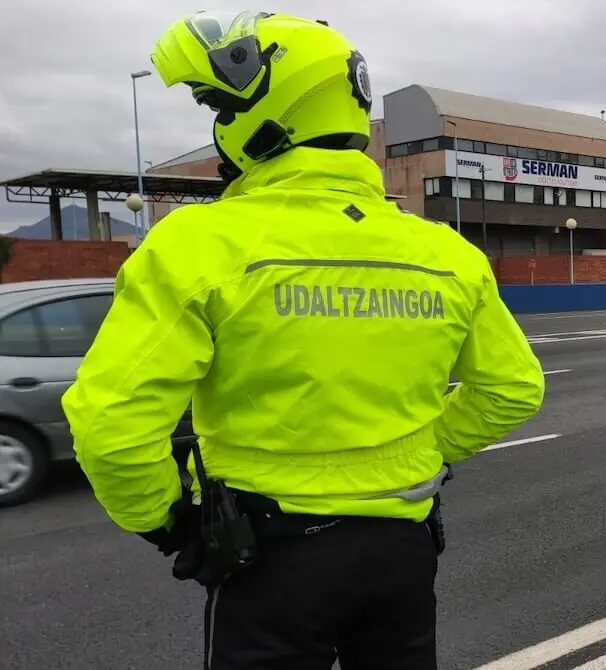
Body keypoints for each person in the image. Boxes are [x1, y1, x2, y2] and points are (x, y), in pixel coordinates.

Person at [61, 10, 545, 670]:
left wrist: (168, 522)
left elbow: (109, 421)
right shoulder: (446, 253)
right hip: (401, 552)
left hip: (269, 555)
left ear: (265, 114)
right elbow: (513, 389)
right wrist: (425, 451)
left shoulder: (198, 244)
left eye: (217, 106)